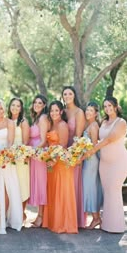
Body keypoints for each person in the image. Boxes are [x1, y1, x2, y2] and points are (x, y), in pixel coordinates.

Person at [85, 97, 127, 233]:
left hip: (118, 162)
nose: (107, 108)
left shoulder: (121, 122)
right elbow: (96, 137)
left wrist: (93, 150)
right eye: (105, 106)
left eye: (110, 105)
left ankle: (116, 226)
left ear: (116, 106)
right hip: (104, 162)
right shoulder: (103, 121)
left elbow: (110, 138)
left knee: (114, 190)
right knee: (107, 192)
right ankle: (106, 225)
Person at [0, 99, 23, 234]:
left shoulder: (9, 122)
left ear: (4, 109)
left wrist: (3, 158)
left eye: (1, 108)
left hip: (6, 160)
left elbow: (10, 142)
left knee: (7, 189)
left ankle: (6, 219)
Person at [42, 100, 78, 233]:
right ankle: (53, 222)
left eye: (56, 110)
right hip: (51, 161)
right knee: (53, 191)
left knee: (61, 192)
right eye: (52, 110)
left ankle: (63, 224)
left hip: (61, 163)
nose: (54, 113)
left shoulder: (62, 125)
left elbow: (63, 145)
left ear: (61, 112)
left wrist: (54, 160)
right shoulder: (51, 124)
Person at [62, 86, 86, 228]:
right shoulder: (63, 111)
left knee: (73, 185)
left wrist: (73, 155)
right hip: (61, 153)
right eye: (65, 94)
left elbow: (78, 136)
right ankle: (64, 217)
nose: (67, 96)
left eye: (70, 93)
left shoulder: (79, 112)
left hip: (74, 153)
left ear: (74, 95)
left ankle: (75, 219)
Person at [8, 97, 30, 223]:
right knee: (12, 186)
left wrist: (19, 154)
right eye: (13, 105)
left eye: (18, 106)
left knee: (22, 186)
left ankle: (21, 214)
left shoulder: (23, 122)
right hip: (9, 158)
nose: (15, 108)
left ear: (21, 108)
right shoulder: (7, 121)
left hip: (21, 158)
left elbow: (25, 142)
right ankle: (12, 214)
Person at [82, 102, 103, 229]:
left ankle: (96, 218)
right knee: (89, 187)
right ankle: (96, 217)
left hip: (91, 160)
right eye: (87, 110)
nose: (88, 112)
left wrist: (83, 158)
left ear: (96, 113)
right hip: (87, 159)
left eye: (91, 110)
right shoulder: (89, 125)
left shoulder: (94, 126)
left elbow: (95, 146)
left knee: (91, 188)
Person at [29, 94, 48, 227]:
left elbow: (43, 140)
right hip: (34, 155)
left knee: (41, 184)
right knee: (37, 183)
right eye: (35, 102)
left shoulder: (43, 118)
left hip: (39, 155)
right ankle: (39, 215)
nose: (37, 105)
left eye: (40, 103)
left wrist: (33, 151)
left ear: (44, 105)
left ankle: (41, 217)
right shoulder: (36, 118)